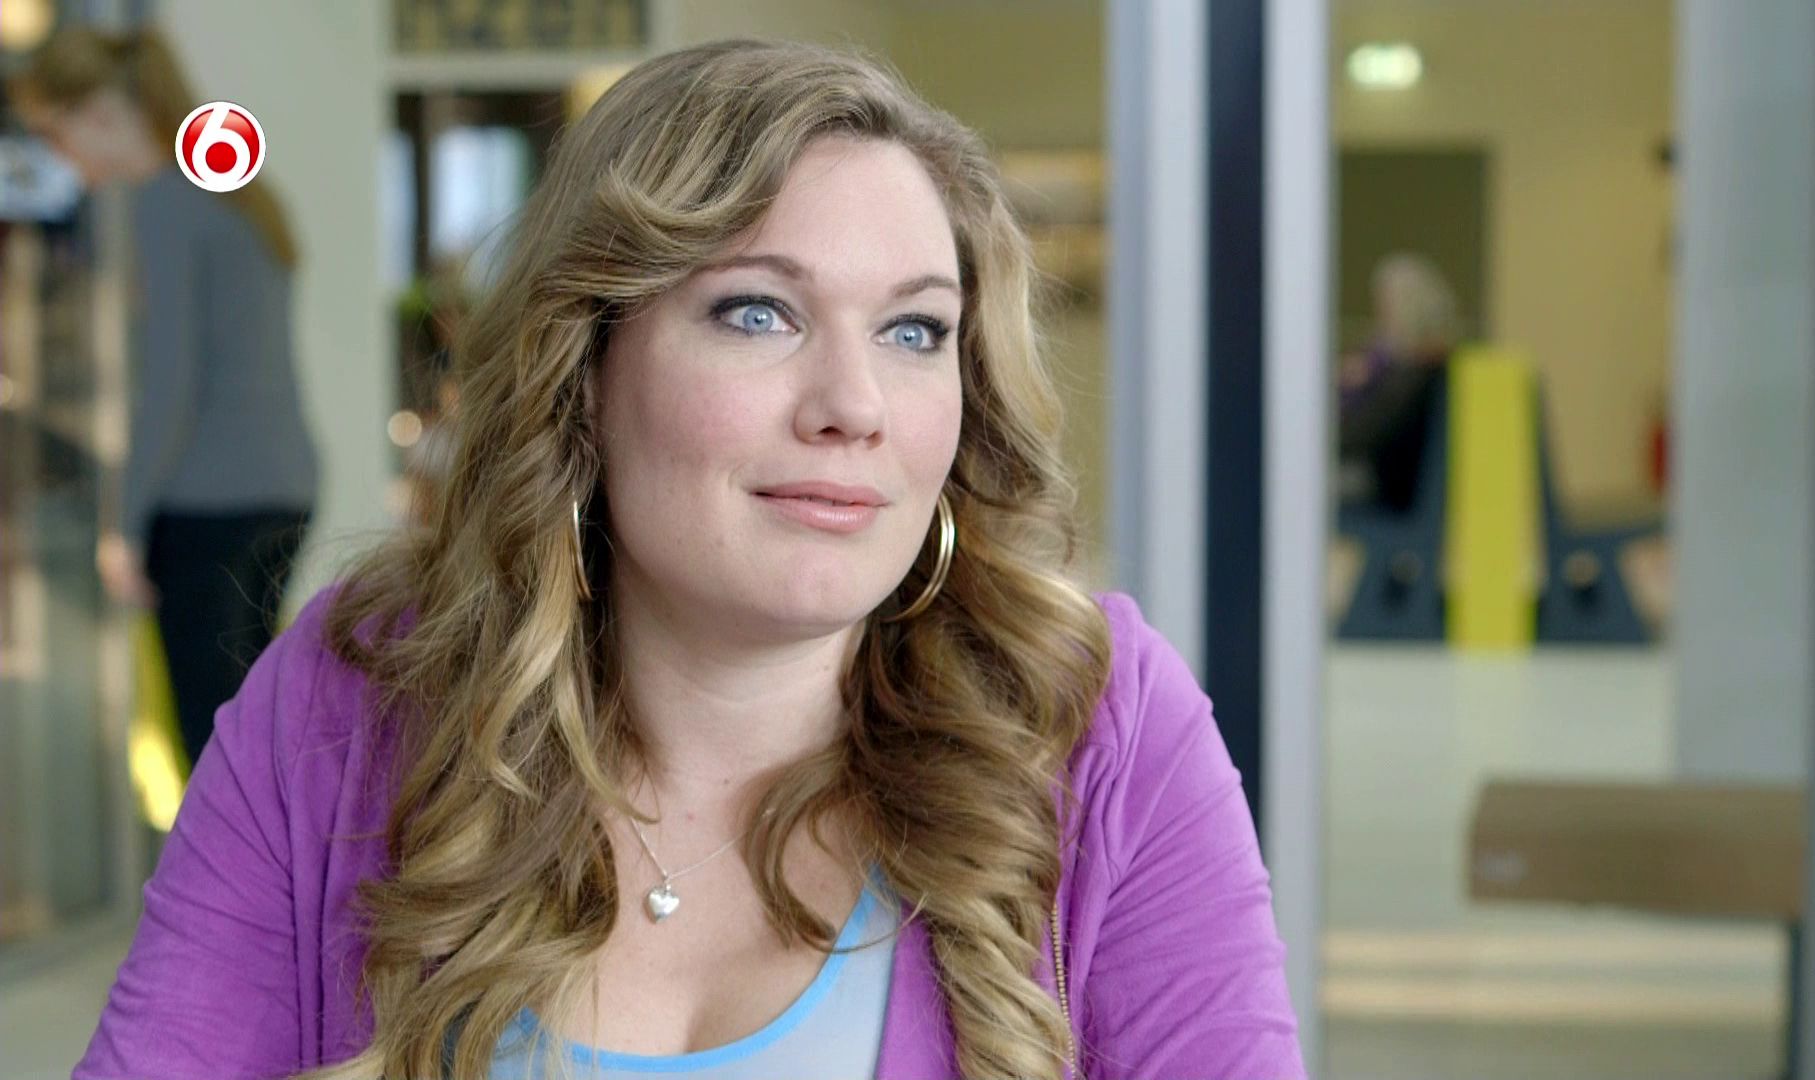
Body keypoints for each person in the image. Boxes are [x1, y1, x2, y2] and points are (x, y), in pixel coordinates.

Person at [73, 39, 1303, 1080]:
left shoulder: (1098, 725)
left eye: (915, 330)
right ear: (583, 370)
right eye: (758, 313)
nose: (854, 405)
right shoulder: (347, 700)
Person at [8, 27, 319, 767]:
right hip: (284, 490)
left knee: (213, 752)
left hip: (208, 508)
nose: (61, 158)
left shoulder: (163, 205)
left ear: (102, 114)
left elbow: (170, 383)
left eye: (55, 133)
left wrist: (122, 522)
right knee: (255, 736)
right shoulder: (235, 191)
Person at [1337, 251, 1460, 512]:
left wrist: (1351, 390)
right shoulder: (1401, 367)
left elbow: (1365, 435)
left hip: (1389, 482)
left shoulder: (1413, 370)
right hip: (1387, 472)